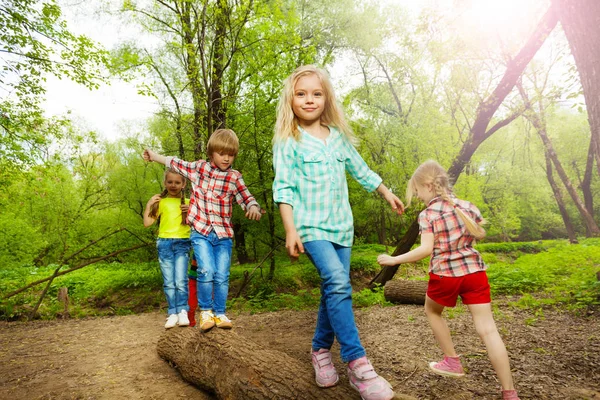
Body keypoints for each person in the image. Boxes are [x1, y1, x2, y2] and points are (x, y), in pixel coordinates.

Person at [272, 65, 404, 400]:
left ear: (326, 98)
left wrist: (386, 191)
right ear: (291, 99)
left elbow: (360, 168)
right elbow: (284, 189)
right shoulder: (289, 141)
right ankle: (358, 365)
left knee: (334, 287)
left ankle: (319, 351)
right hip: (310, 226)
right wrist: (290, 230)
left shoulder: (338, 138)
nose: (309, 99)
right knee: (337, 281)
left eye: (316, 93)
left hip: (342, 228)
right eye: (301, 94)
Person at [377, 160, 520, 400]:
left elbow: (425, 250)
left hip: (445, 275)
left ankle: (452, 361)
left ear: (427, 186)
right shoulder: (467, 206)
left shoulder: (429, 214)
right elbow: (480, 231)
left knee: (432, 311)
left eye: (418, 191)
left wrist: (393, 260)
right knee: (488, 330)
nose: (419, 196)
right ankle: (510, 393)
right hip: (475, 273)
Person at [143, 129, 263, 332]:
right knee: (205, 270)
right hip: (201, 232)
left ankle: (220, 312)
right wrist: (154, 156)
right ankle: (206, 312)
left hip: (223, 234)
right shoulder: (199, 169)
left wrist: (253, 207)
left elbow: (246, 197)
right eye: (221, 153)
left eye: (231, 154)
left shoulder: (234, 177)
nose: (226, 158)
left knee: (222, 274)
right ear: (211, 153)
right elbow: (175, 163)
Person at [143, 168, 191, 329]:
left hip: (182, 243)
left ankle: (183, 310)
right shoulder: (161, 202)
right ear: (165, 183)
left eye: (177, 182)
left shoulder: (189, 202)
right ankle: (172, 313)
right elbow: (147, 223)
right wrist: (150, 204)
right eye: (170, 182)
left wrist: (190, 213)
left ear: (183, 184)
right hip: (164, 244)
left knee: (180, 280)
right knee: (169, 281)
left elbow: (199, 224)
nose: (173, 185)